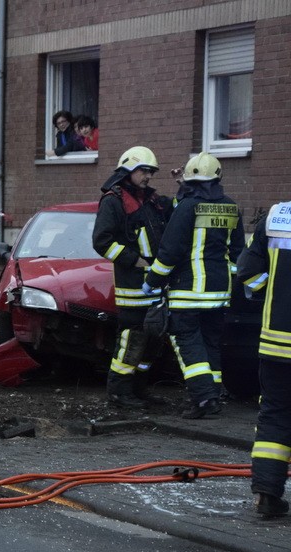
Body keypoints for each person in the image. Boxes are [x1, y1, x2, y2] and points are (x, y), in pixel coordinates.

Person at [144, 152, 245, 419]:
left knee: (188, 342)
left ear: (190, 180)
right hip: (219, 293)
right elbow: (237, 253)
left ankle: (203, 399)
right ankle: (213, 394)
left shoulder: (187, 207)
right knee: (210, 341)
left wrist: (152, 280)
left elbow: (170, 250)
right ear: (218, 177)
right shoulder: (231, 206)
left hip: (188, 292)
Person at [91, 146, 172, 409]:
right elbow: (101, 241)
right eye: (143, 171)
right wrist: (132, 260)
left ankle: (138, 390)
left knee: (152, 343)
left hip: (154, 286)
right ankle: (119, 392)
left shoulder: (150, 200)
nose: (148, 176)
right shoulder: (114, 200)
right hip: (132, 287)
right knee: (131, 341)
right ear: (128, 169)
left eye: (150, 172)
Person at [238, 201, 291, 516]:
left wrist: (269, 292)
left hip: (276, 344)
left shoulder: (277, 217)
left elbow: (246, 271)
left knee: (274, 416)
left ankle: (266, 496)